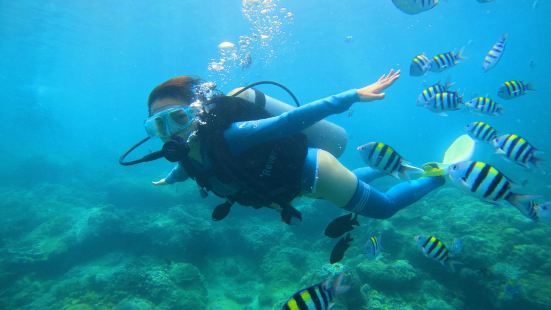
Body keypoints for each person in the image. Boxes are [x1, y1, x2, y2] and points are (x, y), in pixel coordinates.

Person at [140, 69, 445, 223]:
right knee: (344, 191)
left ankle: (439, 175)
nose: (168, 132)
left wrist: (352, 95)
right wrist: (169, 178)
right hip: (293, 186)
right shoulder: (187, 152)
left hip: (315, 172)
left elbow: (290, 122)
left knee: (385, 209)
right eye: (157, 124)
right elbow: (189, 166)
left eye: (177, 118)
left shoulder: (232, 136)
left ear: (198, 113)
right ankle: (383, 169)